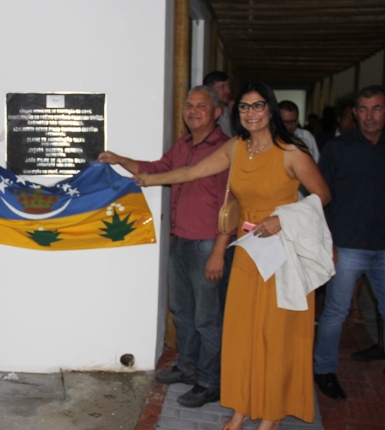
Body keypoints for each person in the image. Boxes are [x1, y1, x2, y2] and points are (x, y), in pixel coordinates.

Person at [135, 81, 330, 430]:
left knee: (274, 334)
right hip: (247, 251)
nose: (250, 113)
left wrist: (282, 219)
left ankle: (270, 414)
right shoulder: (236, 148)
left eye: (258, 106)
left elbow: (322, 196)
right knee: (242, 332)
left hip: (281, 252)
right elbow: (192, 172)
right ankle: (241, 407)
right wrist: (149, 180)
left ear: (270, 109)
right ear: (236, 112)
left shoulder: (291, 151)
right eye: (244, 106)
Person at [99, 85, 232, 408]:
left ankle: (210, 382)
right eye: (189, 105)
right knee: (183, 312)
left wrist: (219, 250)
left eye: (201, 106)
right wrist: (119, 160)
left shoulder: (227, 150)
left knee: (207, 319)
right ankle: (187, 367)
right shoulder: (183, 145)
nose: (193, 110)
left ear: (217, 112)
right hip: (181, 241)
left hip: (208, 244)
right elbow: (158, 169)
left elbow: (233, 203)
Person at [313, 85, 385, 399]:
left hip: (383, 246)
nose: (370, 116)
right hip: (346, 245)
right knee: (335, 312)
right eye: (363, 109)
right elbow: (320, 198)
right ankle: (324, 370)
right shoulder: (338, 149)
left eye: (377, 108)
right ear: (355, 113)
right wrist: (326, 242)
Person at [203, 71, 235, 137]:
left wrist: (236, 117)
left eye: (228, 86)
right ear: (210, 90)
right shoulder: (204, 115)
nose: (228, 91)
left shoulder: (230, 111)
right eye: (222, 87)